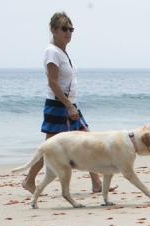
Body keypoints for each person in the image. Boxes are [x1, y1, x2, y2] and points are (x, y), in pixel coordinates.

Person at [22, 12, 102, 194]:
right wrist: (68, 105)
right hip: (58, 106)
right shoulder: (52, 52)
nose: (68, 32)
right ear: (54, 30)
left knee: (88, 141)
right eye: (64, 29)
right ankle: (29, 180)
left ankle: (96, 182)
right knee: (49, 148)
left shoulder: (63, 52)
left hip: (70, 104)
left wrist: (71, 105)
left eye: (70, 29)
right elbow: (52, 82)